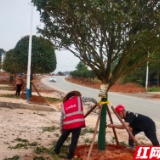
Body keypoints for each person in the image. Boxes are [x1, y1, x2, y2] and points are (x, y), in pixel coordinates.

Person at [54, 90, 97, 159]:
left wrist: (61, 127)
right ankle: (70, 156)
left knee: (62, 138)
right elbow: (91, 99)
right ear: (75, 95)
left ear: (68, 98)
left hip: (67, 125)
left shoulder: (64, 105)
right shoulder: (80, 99)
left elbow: (62, 117)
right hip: (77, 124)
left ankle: (56, 151)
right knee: (74, 140)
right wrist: (97, 103)